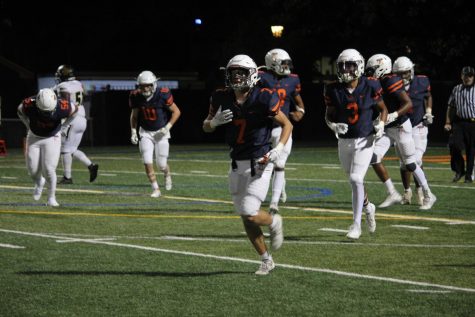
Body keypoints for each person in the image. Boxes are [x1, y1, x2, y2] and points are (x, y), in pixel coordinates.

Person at [202, 54, 291, 275]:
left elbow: (286, 124)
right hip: (236, 162)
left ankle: (273, 221)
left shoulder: (263, 97)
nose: (237, 77)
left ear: (252, 74)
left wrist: (277, 149)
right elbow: (205, 126)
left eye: (241, 73)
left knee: (250, 212)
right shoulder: (220, 96)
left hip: (260, 160)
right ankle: (266, 259)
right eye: (233, 73)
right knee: (245, 216)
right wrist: (213, 123)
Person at [324, 48, 387, 240]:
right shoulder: (333, 89)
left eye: (349, 65)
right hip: (344, 141)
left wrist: (382, 124)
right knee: (354, 181)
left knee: (356, 179)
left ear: (359, 66)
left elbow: (383, 109)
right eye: (342, 65)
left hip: (365, 139)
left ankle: (356, 225)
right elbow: (328, 114)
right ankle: (369, 207)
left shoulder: (371, 85)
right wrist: (332, 125)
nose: (345, 69)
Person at [366, 54, 436, 210]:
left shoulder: (391, 81)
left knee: (410, 162)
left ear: (380, 68)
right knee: (374, 156)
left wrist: (394, 115)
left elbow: (408, 103)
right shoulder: (377, 83)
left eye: (371, 70)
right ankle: (392, 192)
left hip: (401, 127)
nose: (369, 74)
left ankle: (428, 193)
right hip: (388, 128)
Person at [259, 48, 305, 214]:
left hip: (282, 128)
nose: (287, 66)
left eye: (287, 63)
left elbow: (298, 101)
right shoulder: (261, 77)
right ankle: (280, 187)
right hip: (263, 128)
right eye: (283, 63)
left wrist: (301, 111)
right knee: (263, 164)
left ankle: (274, 204)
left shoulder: (292, 80)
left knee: (279, 164)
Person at [17, 88, 77, 206]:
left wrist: (64, 126)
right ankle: (39, 182)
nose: (46, 114)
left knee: (49, 169)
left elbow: (75, 111)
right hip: (34, 136)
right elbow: (19, 111)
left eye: (49, 111)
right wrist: (27, 125)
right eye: (44, 112)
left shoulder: (62, 106)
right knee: (33, 171)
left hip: (52, 137)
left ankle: (51, 198)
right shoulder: (29, 104)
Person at [129, 70, 181, 197]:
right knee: (147, 160)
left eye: (147, 85)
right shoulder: (135, 96)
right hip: (145, 132)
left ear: (153, 84)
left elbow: (176, 111)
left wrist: (167, 127)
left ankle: (167, 174)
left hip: (161, 132)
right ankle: (156, 189)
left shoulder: (162, 94)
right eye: (142, 85)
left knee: (162, 164)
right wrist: (133, 131)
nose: (145, 88)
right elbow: (134, 116)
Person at [392, 56, 433, 204]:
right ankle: (407, 192)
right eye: (400, 73)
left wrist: (428, 111)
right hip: (401, 127)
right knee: (404, 163)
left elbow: (428, 96)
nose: (403, 76)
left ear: (412, 71)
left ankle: (420, 190)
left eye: (406, 73)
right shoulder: (391, 85)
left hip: (418, 126)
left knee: (415, 160)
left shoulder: (422, 81)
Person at [53, 65, 99, 184]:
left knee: (64, 149)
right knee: (72, 149)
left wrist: (64, 123)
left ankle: (67, 177)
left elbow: (66, 104)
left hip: (71, 119)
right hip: (82, 119)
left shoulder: (62, 86)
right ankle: (91, 166)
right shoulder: (79, 83)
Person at [444, 66, 475, 183]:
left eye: (470, 76)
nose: (468, 78)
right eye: (465, 75)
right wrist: (447, 121)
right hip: (460, 122)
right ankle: (459, 170)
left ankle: (468, 176)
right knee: (454, 145)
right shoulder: (456, 89)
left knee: (471, 150)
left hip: (473, 123)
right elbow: (450, 106)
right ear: (461, 76)